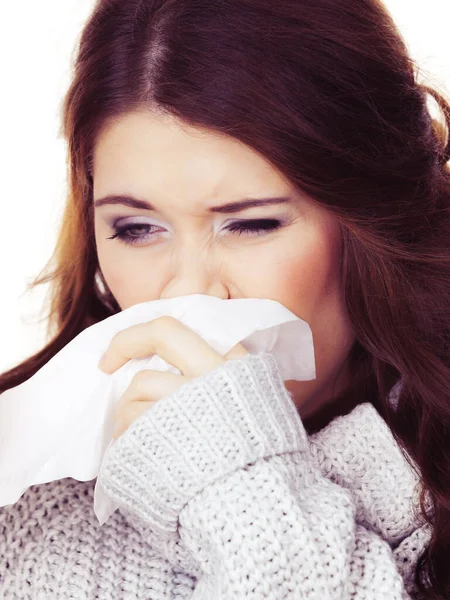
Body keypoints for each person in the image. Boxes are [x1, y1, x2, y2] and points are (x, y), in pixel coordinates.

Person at [0, 0, 449, 597]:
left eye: (252, 224)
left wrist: (241, 490)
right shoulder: (38, 516)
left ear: (372, 220)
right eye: (136, 229)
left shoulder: (427, 502)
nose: (188, 291)